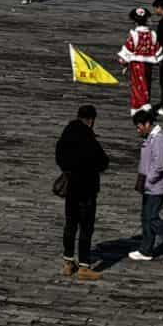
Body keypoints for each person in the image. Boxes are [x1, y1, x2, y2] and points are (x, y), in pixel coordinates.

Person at [55, 105, 108, 281]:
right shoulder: (88, 137)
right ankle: (84, 266)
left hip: (71, 189)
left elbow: (59, 156)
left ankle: (68, 263)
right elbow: (102, 161)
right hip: (86, 189)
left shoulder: (67, 131)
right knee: (86, 228)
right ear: (92, 120)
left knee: (70, 225)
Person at [126, 108, 163, 263]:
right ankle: (146, 250)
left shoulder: (158, 138)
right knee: (146, 218)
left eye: (139, 126)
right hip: (149, 185)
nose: (137, 130)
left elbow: (158, 165)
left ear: (147, 124)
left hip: (156, 186)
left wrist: (149, 180)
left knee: (152, 218)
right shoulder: (151, 137)